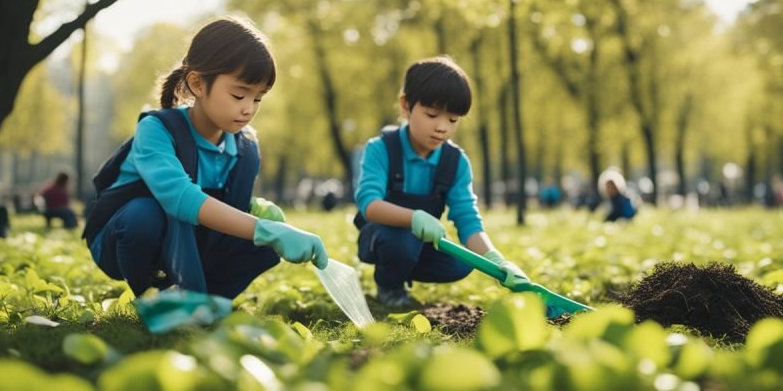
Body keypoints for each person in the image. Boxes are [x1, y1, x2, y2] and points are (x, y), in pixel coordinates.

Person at [82, 17, 327, 302]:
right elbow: (179, 198)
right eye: (239, 94)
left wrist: (260, 215)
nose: (248, 109)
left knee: (259, 234)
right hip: (124, 237)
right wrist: (264, 229)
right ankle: (152, 296)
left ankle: (208, 301)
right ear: (198, 83)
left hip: (192, 241)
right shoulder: (158, 130)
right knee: (143, 216)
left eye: (258, 98)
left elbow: (226, 208)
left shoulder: (246, 147)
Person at [353, 56, 529, 309]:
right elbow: (369, 204)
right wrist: (414, 217)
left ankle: (404, 270)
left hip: (423, 241)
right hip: (383, 236)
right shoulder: (381, 149)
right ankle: (389, 287)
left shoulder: (455, 162)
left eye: (453, 120)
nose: (442, 127)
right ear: (406, 105)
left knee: (463, 261)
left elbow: (467, 219)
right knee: (400, 244)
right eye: (432, 114)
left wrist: (497, 260)